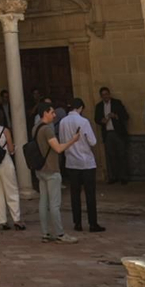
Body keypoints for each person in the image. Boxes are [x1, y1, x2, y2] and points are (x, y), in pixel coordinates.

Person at [33, 101, 80, 243]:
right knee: (54, 204)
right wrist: (73, 140)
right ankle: (60, 234)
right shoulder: (47, 129)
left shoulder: (35, 128)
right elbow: (58, 148)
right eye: (52, 112)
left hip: (40, 169)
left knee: (43, 201)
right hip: (51, 169)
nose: (54, 115)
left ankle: (45, 233)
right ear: (45, 113)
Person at [59, 98, 104, 232]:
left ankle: (77, 222)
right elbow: (93, 141)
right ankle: (92, 223)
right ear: (80, 108)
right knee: (90, 194)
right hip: (86, 162)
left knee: (75, 194)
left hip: (71, 162)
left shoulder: (62, 122)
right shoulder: (83, 121)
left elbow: (62, 140)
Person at [0, 106, 26, 230]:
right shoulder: (5, 131)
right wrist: (13, 148)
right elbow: (11, 149)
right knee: (11, 189)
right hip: (5, 161)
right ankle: (16, 219)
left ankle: (2, 220)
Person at [95, 87, 129, 184]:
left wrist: (115, 116)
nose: (105, 96)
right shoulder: (99, 106)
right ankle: (113, 176)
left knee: (121, 155)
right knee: (111, 156)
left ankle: (124, 177)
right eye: (103, 95)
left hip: (118, 133)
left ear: (109, 94)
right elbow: (97, 119)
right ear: (101, 96)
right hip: (108, 133)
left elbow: (125, 116)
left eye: (106, 94)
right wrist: (102, 120)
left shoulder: (117, 103)